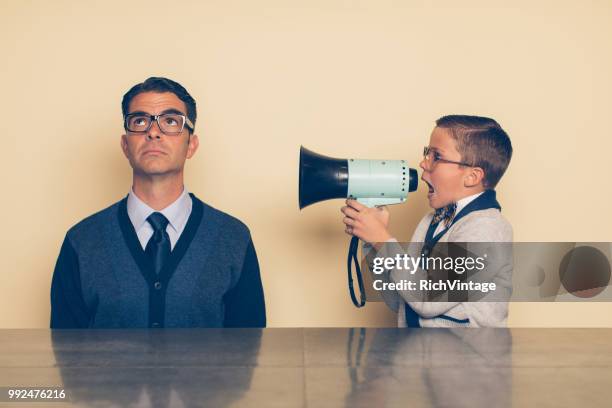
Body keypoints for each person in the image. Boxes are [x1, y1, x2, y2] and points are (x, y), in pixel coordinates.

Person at [51, 77, 266, 328]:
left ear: (191, 145)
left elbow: (249, 353)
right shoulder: (82, 241)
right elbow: (66, 357)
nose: (153, 132)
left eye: (171, 121)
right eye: (140, 121)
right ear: (125, 146)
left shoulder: (232, 238)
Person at [341, 115, 513, 327]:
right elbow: (401, 299)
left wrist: (383, 240)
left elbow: (427, 298)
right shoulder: (432, 221)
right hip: (420, 355)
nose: (423, 163)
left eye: (436, 156)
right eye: (426, 153)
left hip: (466, 358)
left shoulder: (487, 229)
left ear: (472, 176)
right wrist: (372, 242)